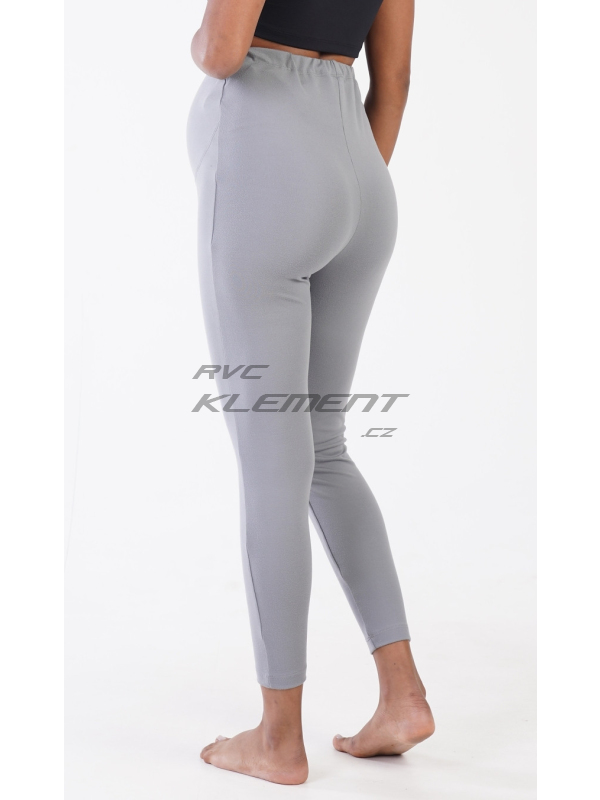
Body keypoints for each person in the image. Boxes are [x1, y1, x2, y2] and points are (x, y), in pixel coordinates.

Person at [186, 0, 434, 784]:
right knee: (324, 450)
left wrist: (198, 37)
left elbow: (224, 50)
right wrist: (335, 187)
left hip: (266, 154)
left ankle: (277, 737)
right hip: (359, 174)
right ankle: (403, 697)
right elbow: (394, 79)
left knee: (273, 463)